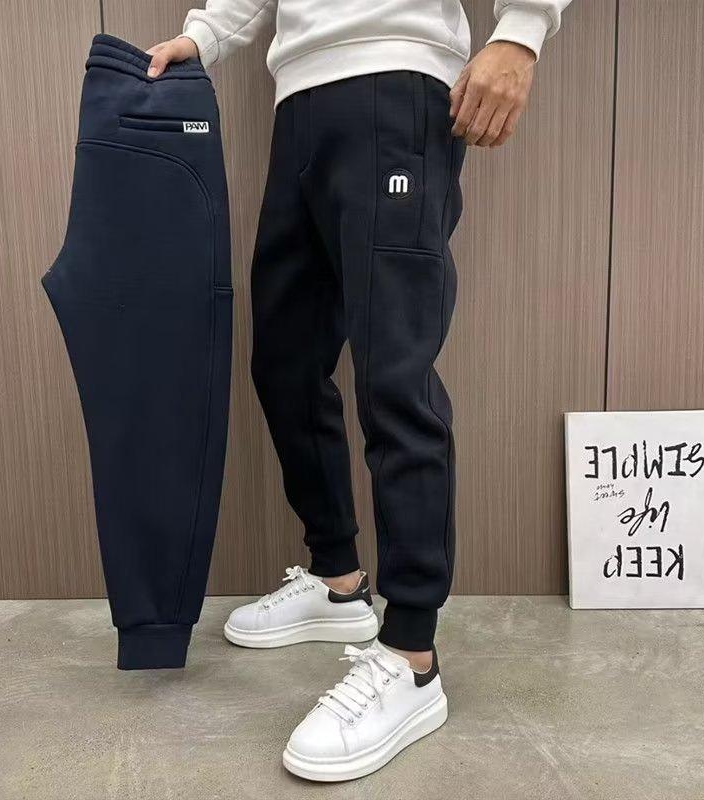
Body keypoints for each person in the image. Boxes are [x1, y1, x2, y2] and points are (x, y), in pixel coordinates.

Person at [147, 0, 571, 781]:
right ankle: (338, 580)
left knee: (394, 380)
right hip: (298, 104)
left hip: (398, 85)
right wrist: (203, 36)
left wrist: (522, 32)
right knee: (285, 361)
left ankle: (411, 655)